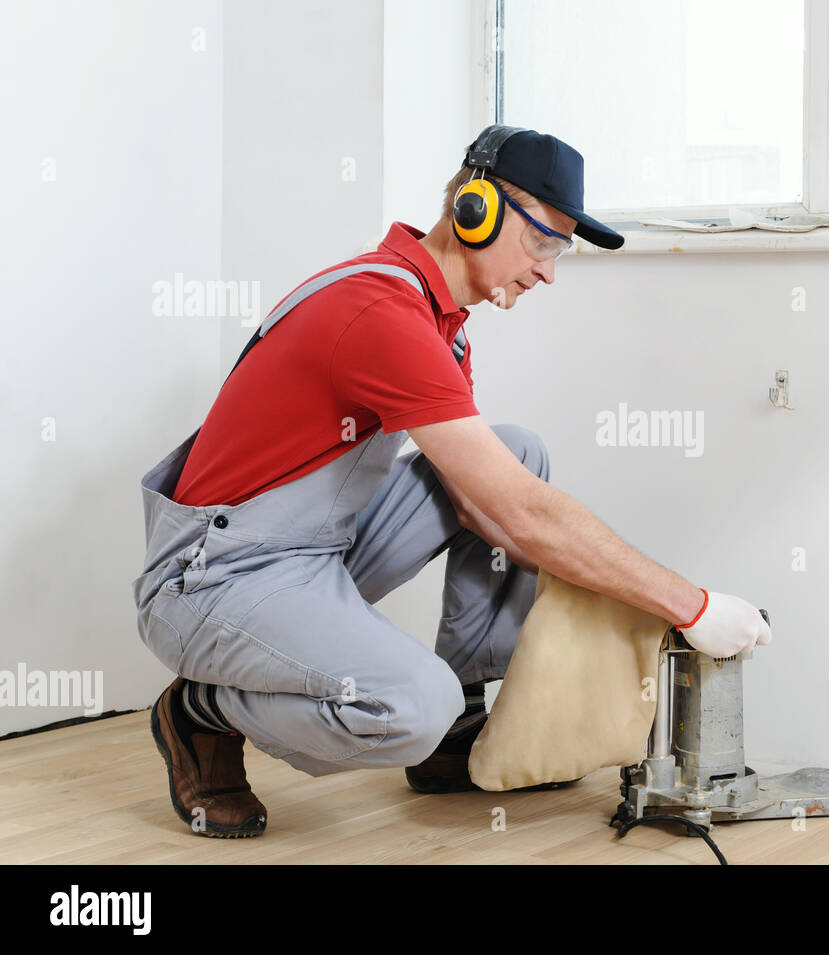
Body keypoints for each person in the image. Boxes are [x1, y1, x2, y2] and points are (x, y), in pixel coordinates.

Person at [130, 125, 772, 838]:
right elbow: (522, 513)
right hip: (214, 579)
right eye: (544, 242)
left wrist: (606, 596)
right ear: (477, 208)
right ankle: (199, 712)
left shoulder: (445, 327)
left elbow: (485, 499)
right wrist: (689, 603)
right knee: (409, 705)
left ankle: (462, 724)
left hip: (313, 550)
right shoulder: (380, 312)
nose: (549, 272)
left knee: (516, 451)